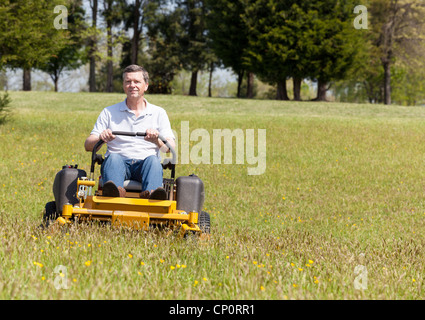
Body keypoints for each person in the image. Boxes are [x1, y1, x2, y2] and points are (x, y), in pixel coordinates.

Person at [84, 64, 176, 199]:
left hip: (146, 165)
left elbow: (170, 148)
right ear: (123, 85)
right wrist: (101, 139)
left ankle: (151, 195)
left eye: (137, 82)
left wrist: (156, 140)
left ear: (146, 85)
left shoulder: (158, 113)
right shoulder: (109, 112)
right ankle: (114, 192)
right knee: (113, 158)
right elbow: (88, 145)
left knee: (153, 161)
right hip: (118, 164)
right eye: (128, 81)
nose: (132, 85)